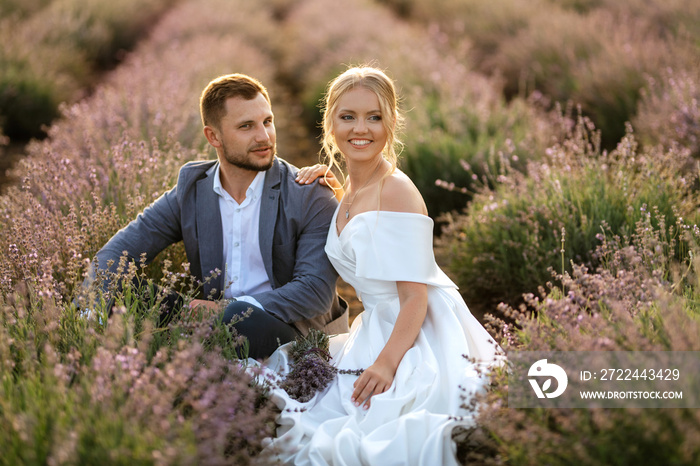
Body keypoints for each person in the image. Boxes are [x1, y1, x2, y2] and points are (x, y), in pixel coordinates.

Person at [261, 66, 504, 465]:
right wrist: (333, 189)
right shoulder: (351, 190)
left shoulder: (397, 190)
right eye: (348, 117)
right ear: (331, 124)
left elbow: (414, 298)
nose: (362, 128)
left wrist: (386, 364)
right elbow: (365, 235)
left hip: (416, 330)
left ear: (391, 123)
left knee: (381, 431)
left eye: (375, 117)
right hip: (376, 325)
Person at [82, 73, 348, 359]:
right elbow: (114, 255)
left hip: (289, 332)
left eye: (267, 122)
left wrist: (224, 310)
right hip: (210, 323)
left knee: (236, 317)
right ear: (213, 136)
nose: (264, 136)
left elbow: (313, 293)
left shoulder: (309, 193)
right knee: (122, 289)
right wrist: (89, 312)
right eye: (246, 126)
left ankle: (179, 350)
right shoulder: (193, 189)